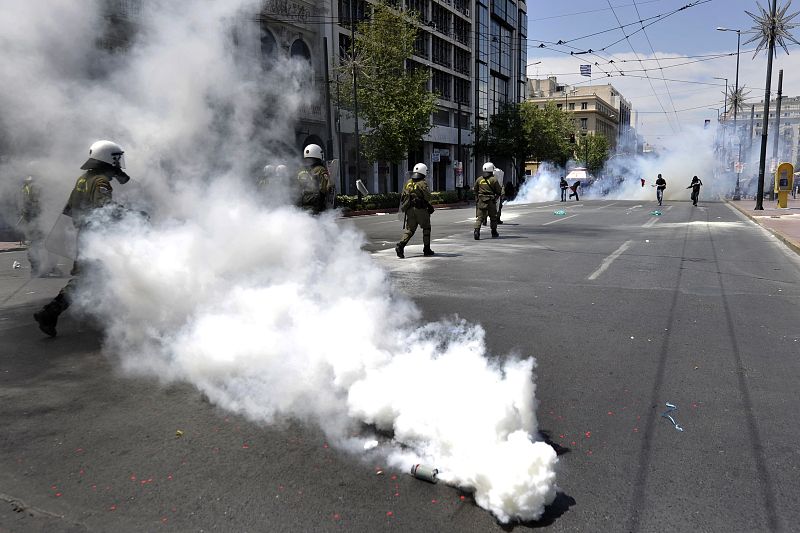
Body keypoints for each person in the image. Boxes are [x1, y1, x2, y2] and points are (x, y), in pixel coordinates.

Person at [33, 140, 132, 337]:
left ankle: (110, 317)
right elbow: (106, 209)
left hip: (87, 234)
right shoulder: (100, 182)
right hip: (96, 237)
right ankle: (49, 313)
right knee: (91, 279)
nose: (119, 162)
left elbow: (72, 208)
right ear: (106, 158)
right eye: (116, 158)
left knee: (95, 278)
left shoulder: (84, 178)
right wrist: (133, 215)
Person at [395, 163, 434, 259]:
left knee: (410, 229)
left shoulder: (408, 182)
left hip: (409, 209)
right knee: (426, 228)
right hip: (420, 209)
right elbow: (428, 197)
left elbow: (403, 196)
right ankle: (426, 249)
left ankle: (401, 245)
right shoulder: (422, 183)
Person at [19, 175, 45, 276]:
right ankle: (36, 269)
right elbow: (35, 203)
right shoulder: (33, 187)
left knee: (33, 242)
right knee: (36, 243)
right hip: (33, 219)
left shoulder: (24, 188)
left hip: (28, 219)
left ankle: (36, 268)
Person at [296, 144, 332, 214]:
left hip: (303, 205)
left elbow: (297, 188)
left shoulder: (301, 171)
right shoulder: (321, 170)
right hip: (317, 207)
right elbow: (324, 189)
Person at [473, 162, 502, 240]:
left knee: (480, 218)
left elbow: (475, 190)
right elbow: (498, 191)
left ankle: (476, 231)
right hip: (491, 201)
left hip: (481, 200)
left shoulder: (479, 179)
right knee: (493, 217)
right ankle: (494, 232)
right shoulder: (494, 179)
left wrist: (477, 199)